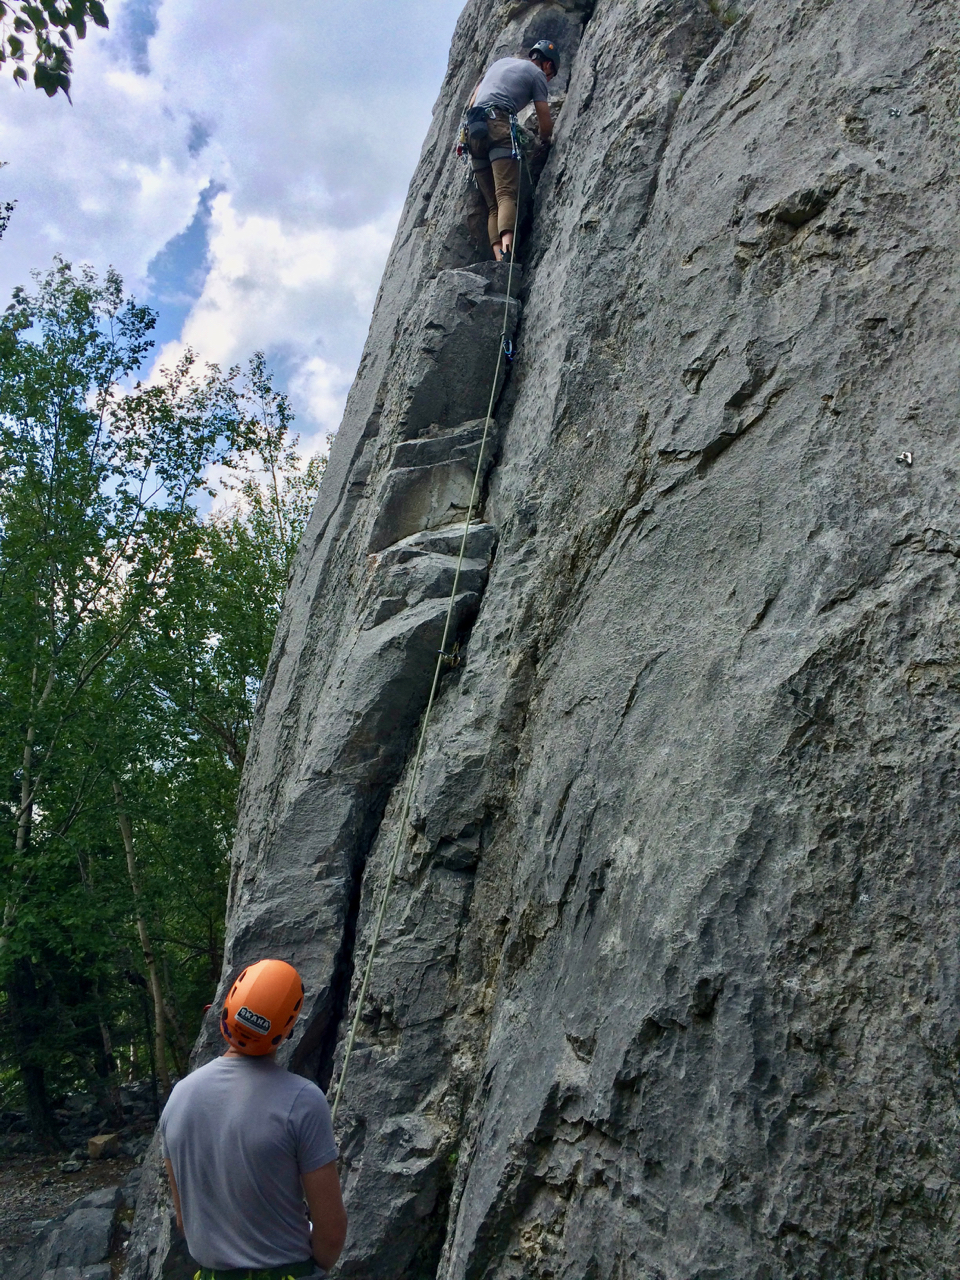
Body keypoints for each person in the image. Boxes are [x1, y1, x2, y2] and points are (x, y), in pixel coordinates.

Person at [160, 959, 347, 1280]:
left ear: (227, 1009)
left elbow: (184, 1221)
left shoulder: (179, 1097)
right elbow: (331, 1232)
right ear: (287, 1028)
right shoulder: (303, 1100)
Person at [465, 39, 559, 262]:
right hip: (498, 125)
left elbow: (472, 102)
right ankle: (508, 253)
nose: (547, 79)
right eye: (551, 75)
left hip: (472, 132)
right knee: (506, 194)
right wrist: (546, 141)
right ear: (547, 64)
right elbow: (544, 120)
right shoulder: (536, 74)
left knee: (492, 205)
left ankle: (499, 258)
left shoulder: (500, 64)